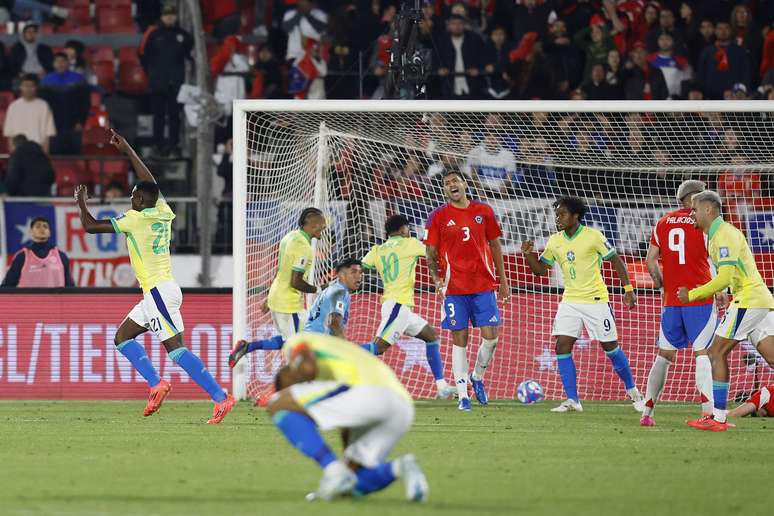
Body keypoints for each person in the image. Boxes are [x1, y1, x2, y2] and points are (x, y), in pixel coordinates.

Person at [74, 129, 235, 424]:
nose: (131, 196)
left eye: (134, 195)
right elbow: (150, 183)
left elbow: (90, 226)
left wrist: (81, 202)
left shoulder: (135, 220)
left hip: (159, 291)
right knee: (122, 338)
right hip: (156, 291)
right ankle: (156, 384)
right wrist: (128, 150)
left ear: (140, 202)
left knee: (176, 350)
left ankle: (221, 398)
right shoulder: (161, 209)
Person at [268, 333, 429, 502]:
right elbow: (347, 426)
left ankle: (333, 470)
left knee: (277, 404)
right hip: (401, 406)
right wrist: (348, 466)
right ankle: (401, 467)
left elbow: (306, 364)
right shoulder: (335, 370)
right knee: (352, 484)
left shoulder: (294, 343)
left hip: (368, 391)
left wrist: (336, 468)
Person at [521, 197, 643, 413]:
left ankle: (634, 392)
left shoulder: (593, 236)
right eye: (556, 215)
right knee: (562, 346)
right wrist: (528, 254)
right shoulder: (555, 241)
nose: (558, 219)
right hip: (570, 301)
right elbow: (540, 271)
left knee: (611, 348)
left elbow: (615, 260)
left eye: (562, 214)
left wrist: (628, 289)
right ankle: (572, 400)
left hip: (596, 300)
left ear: (575, 215)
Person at [678, 191, 774, 432]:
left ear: (708, 210)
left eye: (695, 210)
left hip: (749, 300)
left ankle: (718, 418)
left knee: (716, 352)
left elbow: (725, 277)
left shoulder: (724, 235)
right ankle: (717, 416)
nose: (692, 214)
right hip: (756, 299)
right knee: (772, 358)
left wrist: (692, 294)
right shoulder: (715, 236)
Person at [424, 169, 510, 411]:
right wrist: (436, 280)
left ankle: (477, 377)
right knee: (459, 340)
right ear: (444, 190)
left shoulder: (484, 211)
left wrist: (503, 280)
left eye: (455, 181)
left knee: (491, 340)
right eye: (446, 183)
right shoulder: (437, 216)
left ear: (464, 184)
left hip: (483, 285)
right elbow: (430, 253)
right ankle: (463, 395)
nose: (451, 185)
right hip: (454, 288)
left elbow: (495, 245)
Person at [639, 180, 722, 427]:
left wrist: (663, 285)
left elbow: (651, 261)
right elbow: (717, 257)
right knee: (702, 354)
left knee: (664, 355)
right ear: (694, 198)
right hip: (700, 297)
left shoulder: (663, 222)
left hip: (672, 300)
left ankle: (647, 413)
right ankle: (708, 413)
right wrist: (722, 289)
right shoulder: (706, 223)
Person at [361, 214, 453, 399]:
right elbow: (432, 253)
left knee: (431, 336)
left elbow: (360, 267)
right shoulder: (410, 243)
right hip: (397, 306)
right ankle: (338, 351)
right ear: (403, 229)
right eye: (407, 228)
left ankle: (442, 387)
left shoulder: (377, 249)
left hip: (397, 307)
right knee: (377, 348)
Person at [228, 208, 327, 367]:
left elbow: (280, 270)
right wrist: (319, 289)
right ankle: (291, 386)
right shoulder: (303, 247)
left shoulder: (289, 237)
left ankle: (247, 347)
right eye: (322, 224)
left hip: (278, 297)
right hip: (288, 304)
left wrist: (268, 297)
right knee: (295, 348)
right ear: (314, 225)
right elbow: (295, 282)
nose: (325, 226)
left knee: (295, 338)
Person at [229, 258, 363, 360]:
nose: (359, 276)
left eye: (360, 273)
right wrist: (345, 347)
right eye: (353, 272)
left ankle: (248, 346)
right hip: (317, 342)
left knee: (289, 339)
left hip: (309, 332)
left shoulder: (333, 288)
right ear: (341, 275)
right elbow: (334, 322)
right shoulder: (340, 293)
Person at [139, 4, 193, 157]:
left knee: (175, 116)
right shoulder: (152, 33)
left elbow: (190, 54)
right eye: (166, 14)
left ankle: (174, 145)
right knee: (159, 116)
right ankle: (158, 145)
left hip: (176, 83)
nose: (169, 17)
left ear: (176, 16)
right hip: (157, 82)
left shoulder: (183, 35)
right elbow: (142, 54)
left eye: (172, 14)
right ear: (161, 16)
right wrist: (152, 73)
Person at [1, 216, 74, 287]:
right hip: (30, 299)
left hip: (55, 299)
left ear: (49, 233)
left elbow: (70, 287)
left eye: (45, 226)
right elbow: (7, 285)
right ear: (31, 232)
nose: (42, 229)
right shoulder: (21, 256)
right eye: (38, 226)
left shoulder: (61, 256)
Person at [40, 52, 89, 154]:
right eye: (57, 61)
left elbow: (85, 103)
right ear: (53, 64)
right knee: (55, 156)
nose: (60, 64)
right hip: (53, 125)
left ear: (68, 63)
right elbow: (42, 105)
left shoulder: (78, 79)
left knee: (74, 157)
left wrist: (81, 121)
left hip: (73, 125)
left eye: (63, 61)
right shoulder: (46, 81)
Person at [2, 74, 56, 153]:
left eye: (31, 86)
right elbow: (10, 133)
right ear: (20, 87)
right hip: (18, 149)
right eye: (25, 86)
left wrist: (45, 152)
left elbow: (48, 133)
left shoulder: (44, 105)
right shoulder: (13, 106)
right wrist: (12, 151)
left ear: (36, 87)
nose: (28, 89)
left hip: (38, 149)